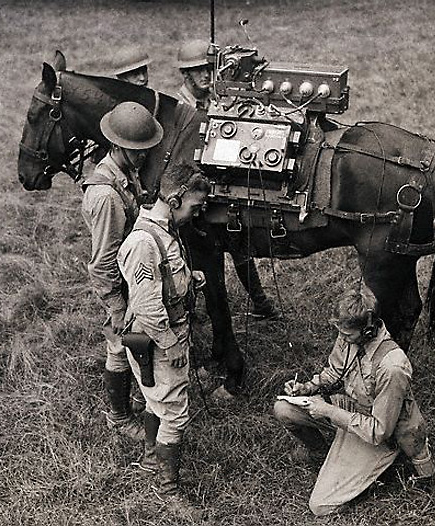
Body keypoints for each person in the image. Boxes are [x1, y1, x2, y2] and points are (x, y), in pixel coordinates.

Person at [273, 286, 435, 516]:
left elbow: (379, 431)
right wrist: (307, 388)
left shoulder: (392, 367)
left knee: (320, 506)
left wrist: (329, 411)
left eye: (347, 335)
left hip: (378, 434)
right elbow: (335, 370)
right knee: (284, 408)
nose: (342, 338)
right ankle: (323, 454)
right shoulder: (349, 335)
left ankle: (379, 471)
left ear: (368, 330)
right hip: (353, 410)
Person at [117, 161, 209, 512]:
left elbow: (161, 281)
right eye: (194, 207)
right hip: (157, 339)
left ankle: (150, 459)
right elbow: (145, 305)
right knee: (174, 413)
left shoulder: (163, 230)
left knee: (157, 401)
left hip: (165, 333)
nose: (196, 214)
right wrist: (171, 345)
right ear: (174, 198)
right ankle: (168, 491)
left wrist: (186, 279)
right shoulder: (144, 242)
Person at [175, 39, 279, 320]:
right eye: (199, 71)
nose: (207, 75)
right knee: (199, 258)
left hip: (223, 183)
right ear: (185, 75)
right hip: (196, 192)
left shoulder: (216, 96)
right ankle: (193, 309)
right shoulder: (180, 109)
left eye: (210, 68)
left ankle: (261, 304)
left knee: (239, 243)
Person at [81, 101, 163, 441]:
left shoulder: (125, 169)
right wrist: (116, 306)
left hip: (130, 273)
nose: (143, 157)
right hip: (118, 282)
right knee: (119, 342)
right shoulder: (106, 197)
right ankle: (118, 415)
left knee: (132, 342)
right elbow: (102, 261)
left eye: (146, 151)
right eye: (136, 151)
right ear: (115, 145)